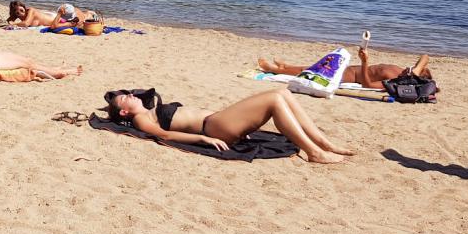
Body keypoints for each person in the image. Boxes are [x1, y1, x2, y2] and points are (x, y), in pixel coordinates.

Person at [103, 88, 352, 164]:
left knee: (283, 93)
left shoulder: (147, 109)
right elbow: (164, 134)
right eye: (126, 98)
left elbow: (142, 96)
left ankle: (321, 142)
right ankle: (314, 152)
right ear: (124, 111)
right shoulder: (140, 119)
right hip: (214, 128)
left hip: (218, 121)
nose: (131, 96)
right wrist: (204, 140)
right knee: (275, 99)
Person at [259, 47, 432, 90]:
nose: (409, 68)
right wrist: (416, 69)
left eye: (415, 71)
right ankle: (286, 66)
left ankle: (275, 70)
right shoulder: (403, 71)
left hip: (350, 77)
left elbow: (368, 85)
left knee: (313, 71)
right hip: (351, 69)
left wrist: (364, 62)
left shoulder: (397, 82)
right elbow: (425, 57)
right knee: (319, 66)